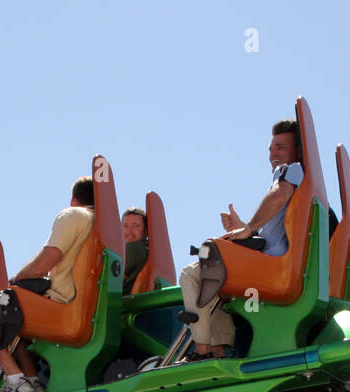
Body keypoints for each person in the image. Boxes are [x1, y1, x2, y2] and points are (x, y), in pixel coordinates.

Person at [179, 119, 304, 360]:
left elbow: (279, 197)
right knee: (218, 296)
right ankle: (220, 353)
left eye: (280, 147)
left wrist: (249, 227)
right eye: (270, 149)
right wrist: (242, 227)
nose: (273, 154)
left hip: (269, 266)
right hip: (267, 260)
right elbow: (269, 230)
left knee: (191, 274)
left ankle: (201, 350)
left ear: (297, 151)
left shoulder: (292, 170)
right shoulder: (295, 179)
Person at [0, 176, 95, 392]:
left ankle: (14, 379)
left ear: (74, 200)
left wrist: (16, 279)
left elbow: (45, 262)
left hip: (62, 307)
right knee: (16, 316)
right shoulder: (104, 225)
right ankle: (33, 381)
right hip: (88, 308)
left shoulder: (73, 215)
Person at [121, 206, 149, 294]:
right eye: (125, 226)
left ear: (146, 231)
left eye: (135, 226)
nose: (129, 231)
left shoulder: (136, 248)